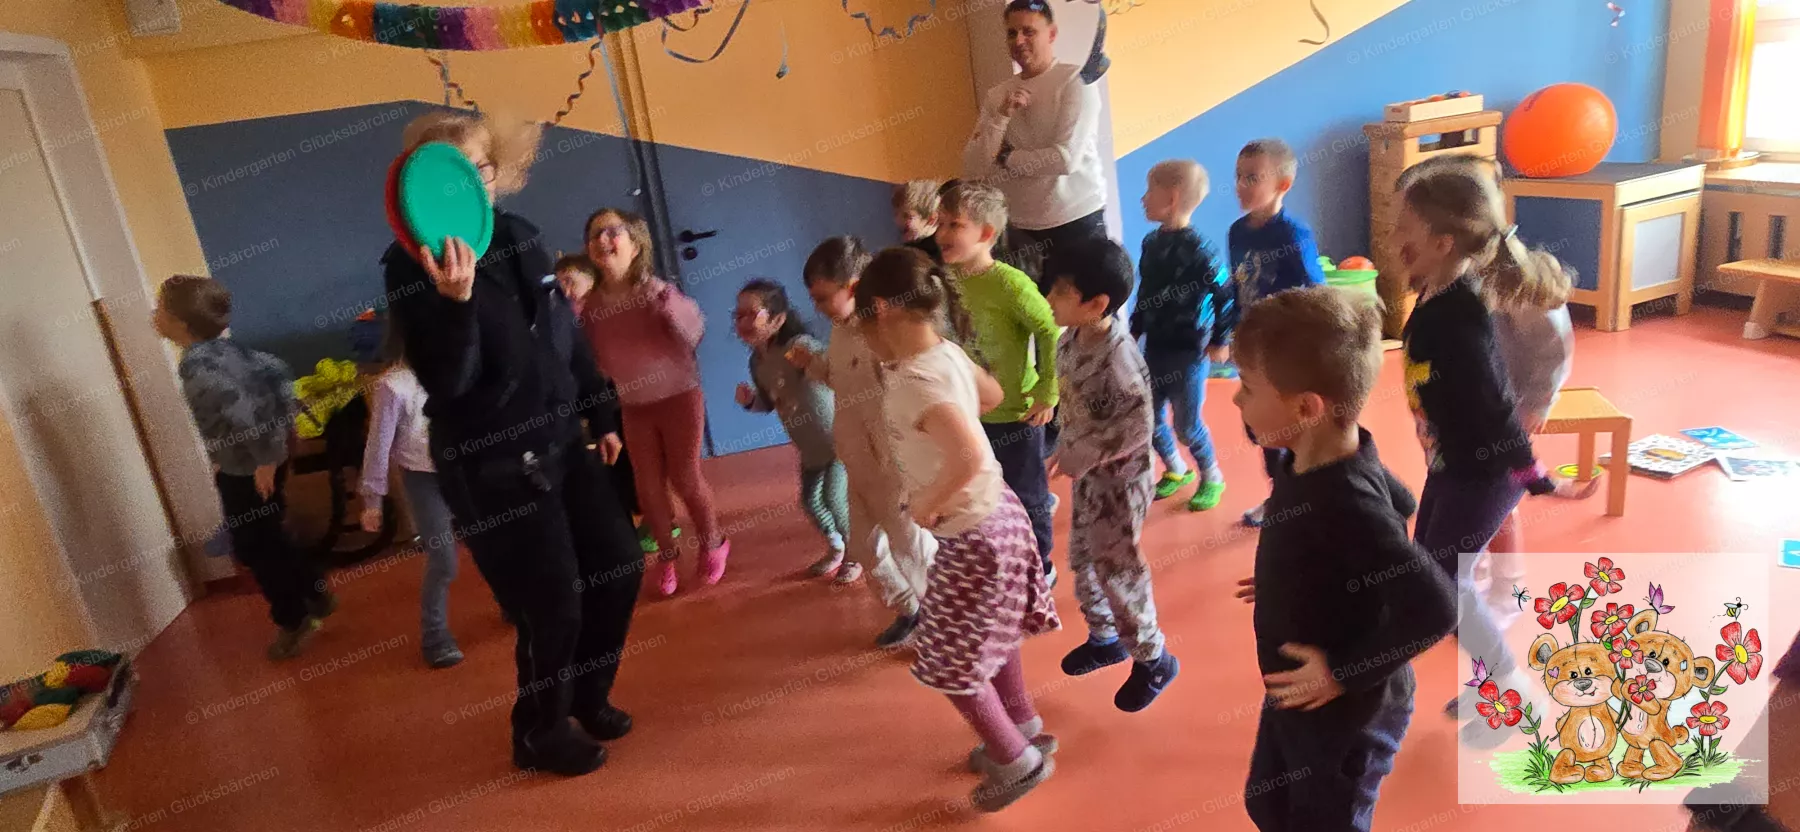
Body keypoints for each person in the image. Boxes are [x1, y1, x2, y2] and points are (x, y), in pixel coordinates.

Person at [382, 112, 642, 777]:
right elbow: (450, 381)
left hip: (560, 439)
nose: (474, 184)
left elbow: (564, 337)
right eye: (454, 172)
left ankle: (587, 695)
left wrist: (601, 411)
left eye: (481, 168)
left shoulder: (520, 236)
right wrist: (457, 302)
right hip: (491, 463)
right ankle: (538, 732)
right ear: (424, 184)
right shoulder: (411, 266)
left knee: (619, 564)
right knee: (551, 604)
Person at [1228, 286, 1456, 832]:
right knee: (1268, 803)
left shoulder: (1344, 498)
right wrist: (1301, 576)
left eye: (1247, 387)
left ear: (1306, 408)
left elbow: (1438, 607)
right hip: (1298, 692)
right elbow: (1402, 500)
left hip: (1349, 709)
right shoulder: (1313, 453)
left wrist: (1342, 673)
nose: (1236, 400)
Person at [855, 246, 1060, 812]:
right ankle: (1021, 724)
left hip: (973, 534)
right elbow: (993, 396)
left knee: (946, 659)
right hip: (1002, 515)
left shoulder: (914, 381)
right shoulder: (945, 353)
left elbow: (969, 455)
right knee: (993, 634)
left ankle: (1014, 759)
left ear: (881, 310)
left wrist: (925, 502)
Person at [1393, 160, 1561, 743]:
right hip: (1454, 463)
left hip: (1485, 473)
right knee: (1432, 574)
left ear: (1443, 242)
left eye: (1404, 228)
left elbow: (1494, 403)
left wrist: (1530, 471)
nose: (1393, 238)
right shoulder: (1436, 293)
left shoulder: (1460, 316)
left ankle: (1513, 693)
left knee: (1445, 584)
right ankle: (1497, 679)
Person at [156, 275, 335, 661]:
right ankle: (312, 589)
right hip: (255, 459)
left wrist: (264, 458)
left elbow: (240, 412)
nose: (154, 316)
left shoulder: (197, 367)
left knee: (253, 546)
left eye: (161, 311)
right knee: (268, 536)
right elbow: (277, 370)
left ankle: (294, 618)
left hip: (250, 467)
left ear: (181, 323)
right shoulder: (228, 349)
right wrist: (283, 430)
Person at [1042, 238, 1178, 712]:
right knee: (1083, 558)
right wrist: (1068, 447)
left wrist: (1084, 453)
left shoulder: (1117, 358)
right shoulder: (1070, 339)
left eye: (1060, 292)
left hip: (1121, 484)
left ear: (1096, 303)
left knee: (1119, 571)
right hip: (1091, 477)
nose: (1049, 298)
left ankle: (1154, 658)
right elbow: (1077, 406)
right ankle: (1106, 639)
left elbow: (1139, 427)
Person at [792, 237, 938, 646]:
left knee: (911, 545)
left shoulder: (884, 333)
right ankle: (911, 609)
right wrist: (814, 365)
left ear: (853, 287)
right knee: (864, 547)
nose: (818, 307)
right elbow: (842, 380)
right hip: (856, 459)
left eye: (824, 297)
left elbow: (909, 392)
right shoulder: (840, 331)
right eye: (814, 298)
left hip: (893, 463)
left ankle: (944, 621)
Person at [579, 208, 729, 597]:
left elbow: (694, 332)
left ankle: (713, 542)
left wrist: (668, 307)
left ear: (635, 245)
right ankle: (667, 554)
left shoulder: (655, 291)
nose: (602, 239)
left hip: (679, 397)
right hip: (634, 405)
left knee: (685, 476)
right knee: (647, 487)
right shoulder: (592, 306)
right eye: (595, 234)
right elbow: (593, 359)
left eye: (613, 232)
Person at [937, 181, 1061, 587]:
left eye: (954, 225)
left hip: (1014, 414)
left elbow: (1049, 330)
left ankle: (1041, 567)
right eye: (940, 223)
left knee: (1027, 495)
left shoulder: (1009, 284)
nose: (941, 234)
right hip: (968, 412)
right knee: (981, 494)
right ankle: (999, 561)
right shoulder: (944, 280)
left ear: (987, 233)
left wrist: (1047, 391)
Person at [962, 0, 1108, 292]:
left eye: (1029, 31)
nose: (1019, 41)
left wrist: (1007, 157)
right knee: (1031, 315)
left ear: (1051, 34)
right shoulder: (997, 96)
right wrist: (1002, 116)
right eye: (1011, 33)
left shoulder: (1074, 82)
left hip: (1077, 220)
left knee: (1088, 312)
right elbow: (974, 167)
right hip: (1020, 230)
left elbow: (1065, 160)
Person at [1224, 138, 1327, 528]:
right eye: (1238, 176)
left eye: (1252, 178)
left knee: (1291, 426)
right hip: (1252, 348)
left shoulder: (1292, 234)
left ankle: (1297, 498)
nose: (1241, 185)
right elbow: (1238, 287)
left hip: (1285, 348)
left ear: (1282, 185)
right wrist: (1227, 332)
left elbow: (1315, 292)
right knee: (1261, 427)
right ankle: (1282, 495)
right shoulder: (1237, 232)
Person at [732, 279, 859, 584]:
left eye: (752, 314)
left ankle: (857, 554)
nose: (743, 322)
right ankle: (837, 547)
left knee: (834, 499)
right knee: (810, 502)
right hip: (810, 448)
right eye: (738, 315)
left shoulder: (796, 346)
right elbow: (768, 402)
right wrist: (750, 402)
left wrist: (814, 362)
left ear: (778, 319)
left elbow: (832, 367)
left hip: (837, 441)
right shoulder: (757, 362)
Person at [555, 254, 675, 556]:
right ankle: (634, 521)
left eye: (570, 282)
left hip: (623, 397)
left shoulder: (603, 314)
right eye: (559, 285)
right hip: (595, 402)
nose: (565, 291)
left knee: (641, 466)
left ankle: (659, 520)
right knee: (614, 469)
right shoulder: (561, 319)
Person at [356, 326, 463, 669]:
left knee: (493, 545)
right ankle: (435, 636)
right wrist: (373, 500)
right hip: (424, 478)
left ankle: (511, 604)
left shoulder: (456, 370)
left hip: (465, 473)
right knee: (444, 559)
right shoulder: (393, 386)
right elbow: (378, 446)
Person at [1131, 159, 1233, 512]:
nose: (1143, 199)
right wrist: (1135, 329)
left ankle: (1212, 475)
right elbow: (1146, 291)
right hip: (1155, 347)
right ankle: (1176, 468)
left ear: (1172, 198)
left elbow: (1225, 294)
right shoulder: (1151, 243)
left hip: (1189, 352)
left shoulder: (1200, 249)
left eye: (1149, 191)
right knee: (1149, 418)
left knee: (1187, 426)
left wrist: (1220, 338)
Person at [894, 180, 943, 263]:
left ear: (931, 219)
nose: (898, 221)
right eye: (896, 214)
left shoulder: (933, 254)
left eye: (907, 216)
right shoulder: (911, 246)